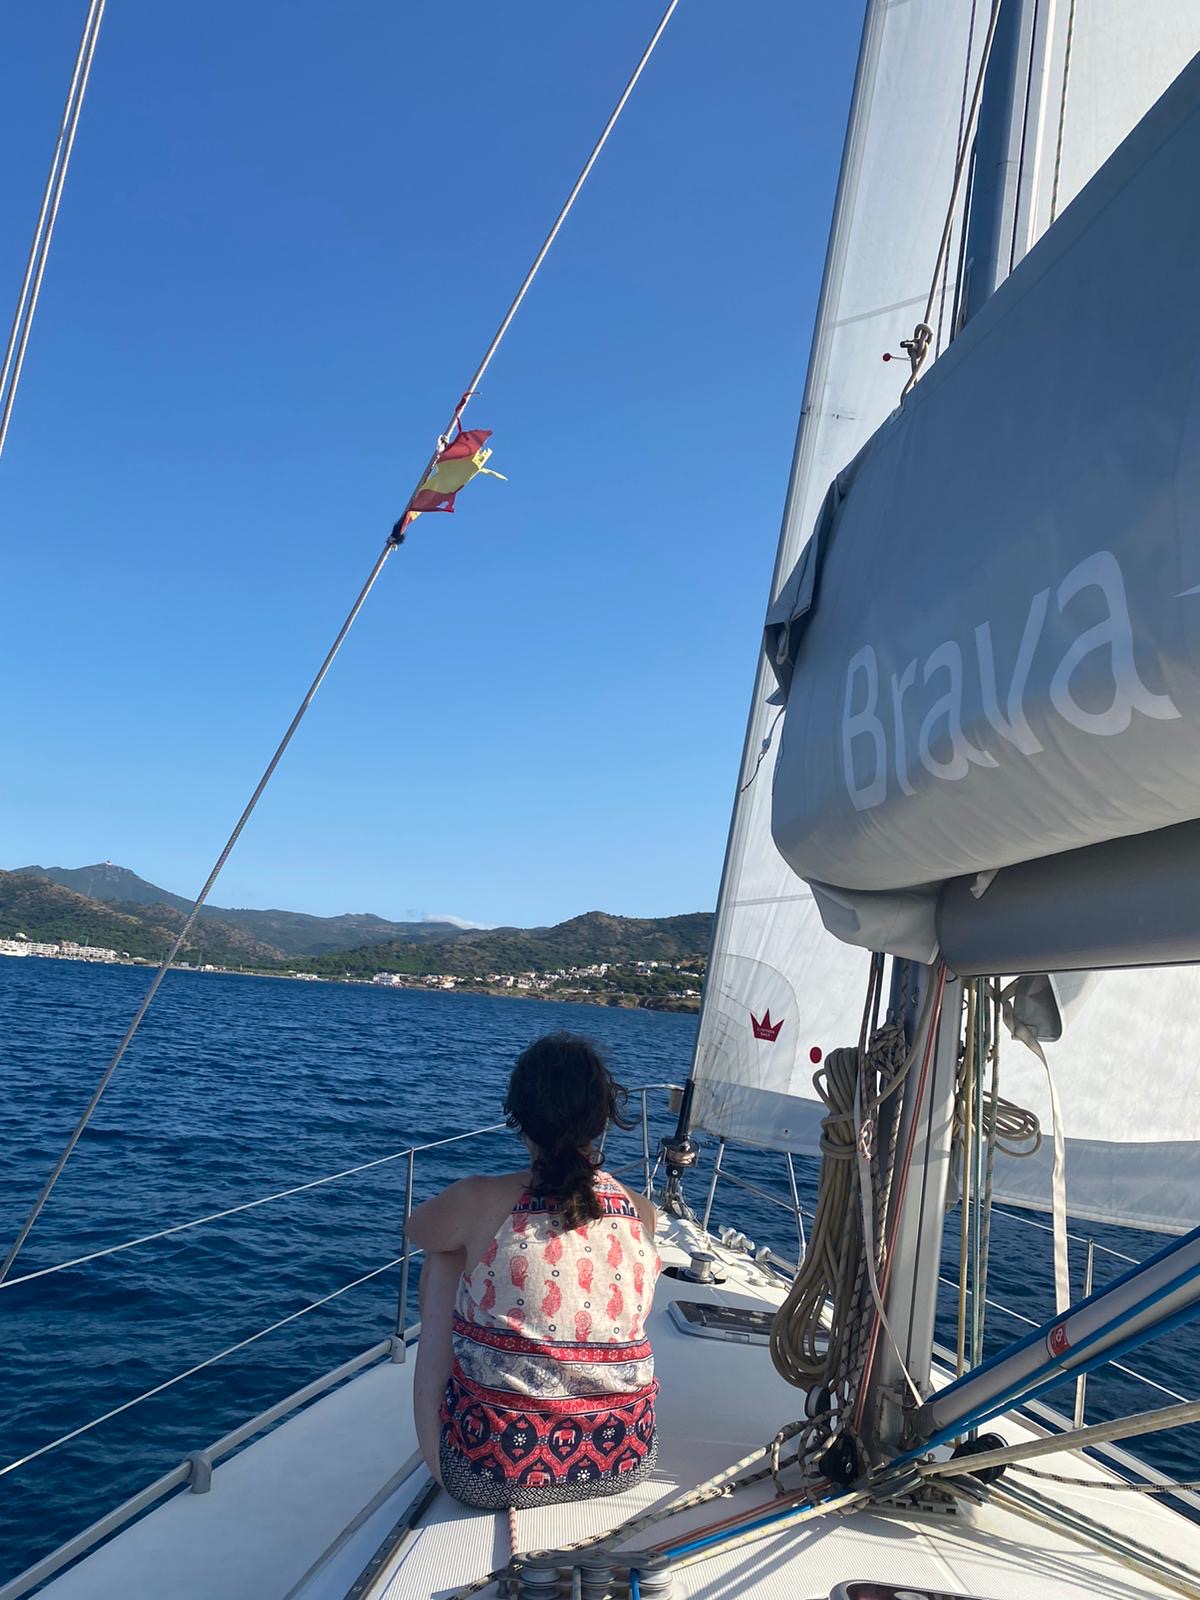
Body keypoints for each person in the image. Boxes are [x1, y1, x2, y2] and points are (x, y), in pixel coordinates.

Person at [408, 1032, 661, 1509]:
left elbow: (416, 1229)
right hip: (627, 1460)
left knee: (444, 1256)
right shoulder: (640, 1210)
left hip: (489, 1476)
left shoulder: (479, 1199)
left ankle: (450, 1427)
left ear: (519, 1118)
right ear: (601, 1118)